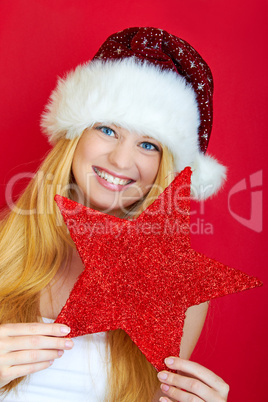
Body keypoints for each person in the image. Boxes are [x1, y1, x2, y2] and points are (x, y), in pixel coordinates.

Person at [0, 27, 229, 401]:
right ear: (75, 136)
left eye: (148, 144)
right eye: (107, 129)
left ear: (166, 168)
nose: (121, 160)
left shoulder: (177, 292)